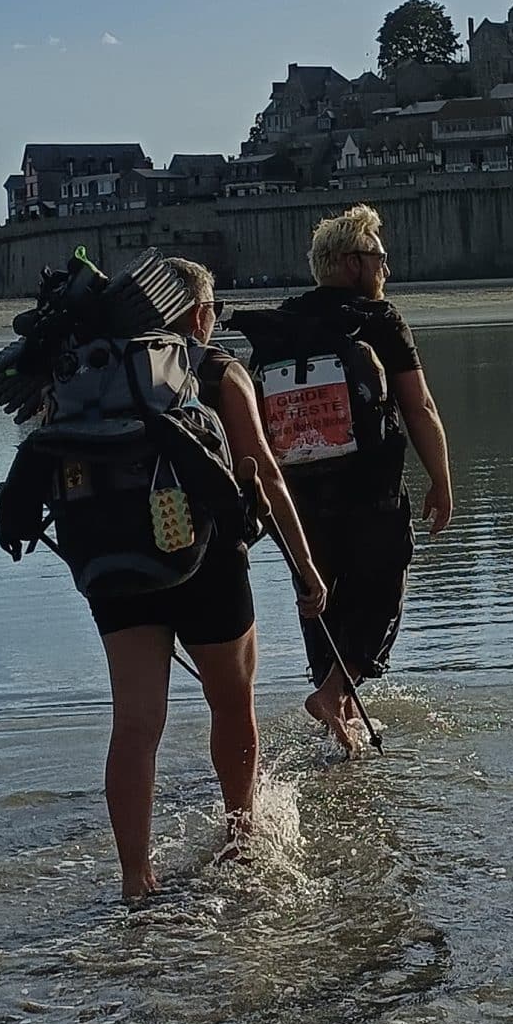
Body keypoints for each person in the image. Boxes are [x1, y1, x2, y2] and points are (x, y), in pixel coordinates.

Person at [91, 257, 329, 901]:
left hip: (117, 567)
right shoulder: (218, 371)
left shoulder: (97, 372)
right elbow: (265, 473)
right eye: (214, 309)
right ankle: (241, 836)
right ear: (200, 314)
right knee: (231, 703)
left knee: (135, 724)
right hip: (208, 562)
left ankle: (135, 878)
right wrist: (305, 566)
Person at [241, 206, 455, 753]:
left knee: (318, 596)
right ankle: (334, 693)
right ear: (354, 263)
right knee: (383, 590)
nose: (386, 268)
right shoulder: (377, 320)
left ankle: (335, 713)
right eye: (380, 257)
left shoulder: (280, 325)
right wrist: (440, 479)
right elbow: (420, 407)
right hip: (372, 490)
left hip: (297, 496)